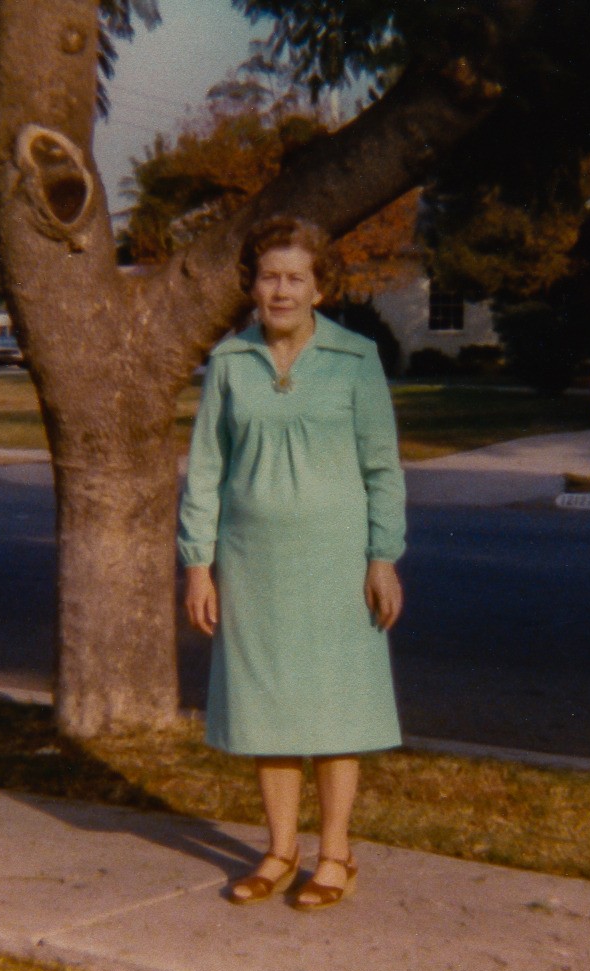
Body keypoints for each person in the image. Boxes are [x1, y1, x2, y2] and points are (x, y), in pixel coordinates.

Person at [177, 215, 406, 910]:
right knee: (266, 709)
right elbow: (205, 472)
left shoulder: (355, 359)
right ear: (252, 285)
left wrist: (382, 558)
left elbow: (382, 467)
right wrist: (197, 566)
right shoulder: (227, 364)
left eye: (294, 278)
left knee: (337, 710)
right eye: (269, 276)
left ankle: (335, 855)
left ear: (318, 288)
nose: (280, 291)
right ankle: (280, 850)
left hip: (338, 564)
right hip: (252, 565)